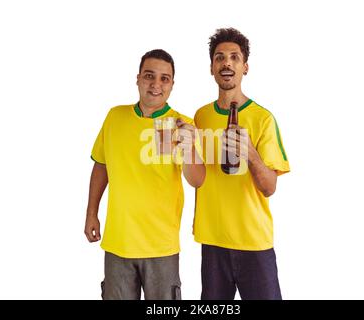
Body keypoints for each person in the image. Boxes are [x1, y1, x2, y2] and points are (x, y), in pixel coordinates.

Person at [85, 49, 205, 300]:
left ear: (172, 84)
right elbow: (101, 166)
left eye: (164, 78)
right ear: (138, 78)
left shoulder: (182, 124)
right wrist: (91, 214)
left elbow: (197, 180)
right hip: (118, 243)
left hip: (161, 246)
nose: (156, 84)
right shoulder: (114, 117)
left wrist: (188, 147)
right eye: (149, 76)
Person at [193, 28, 290, 300]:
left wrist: (251, 154)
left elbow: (269, 187)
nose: (227, 63)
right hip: (212, 241)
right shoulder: (199, 117)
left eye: (235, 57)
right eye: (220, 58)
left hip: (254, 242)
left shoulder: (263, 119)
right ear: (212, 68)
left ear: (245, 67)